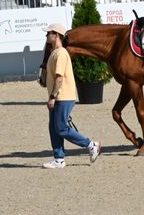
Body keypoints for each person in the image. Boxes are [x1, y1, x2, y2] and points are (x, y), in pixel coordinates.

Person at [40, 24, 100, 168]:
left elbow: (59, 78)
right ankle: (59, 159)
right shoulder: (54, 53)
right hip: (58, 96)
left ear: (56, 35)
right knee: (53, 128)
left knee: (60, 127)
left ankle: (91, 145)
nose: (46, 35)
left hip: (63, 96)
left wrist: (53, 96)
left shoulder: (60, 53)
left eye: (49, 33)